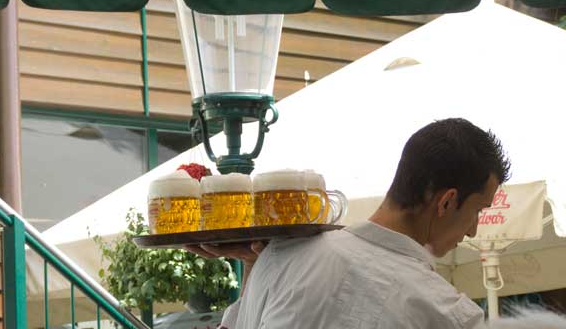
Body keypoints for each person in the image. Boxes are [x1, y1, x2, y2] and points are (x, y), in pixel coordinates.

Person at [192, 118, 511, 328]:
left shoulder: (282, 257)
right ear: (447, 202)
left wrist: (256, 265)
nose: (473, 229)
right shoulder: (446, 315)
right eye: (478, 210)